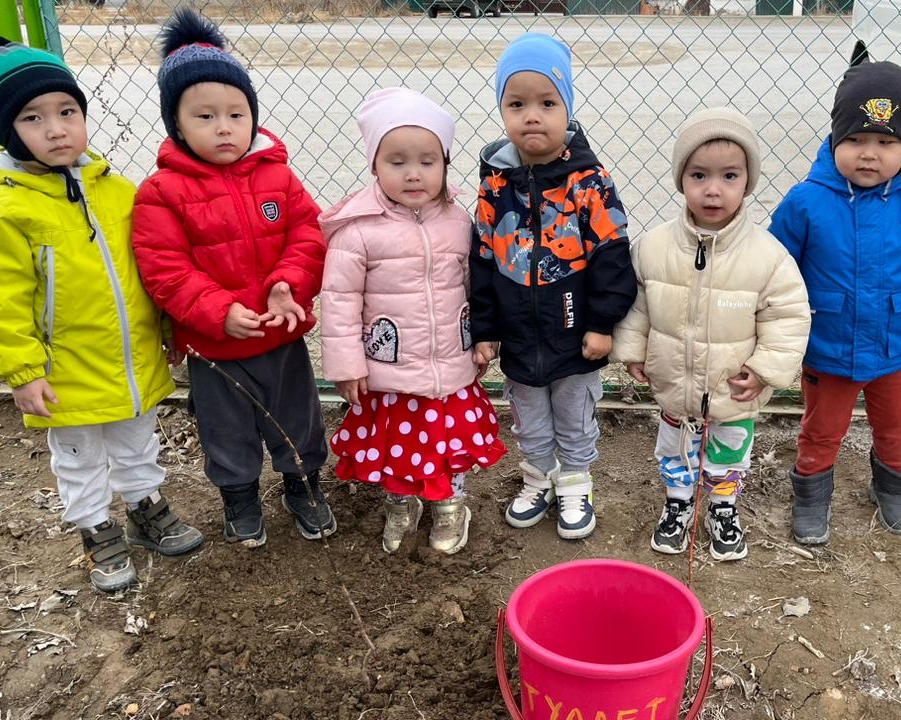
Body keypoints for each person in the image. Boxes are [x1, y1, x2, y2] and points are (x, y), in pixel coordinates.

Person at [0, 38, 202, 592]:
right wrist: (23, 371)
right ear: (5, 130)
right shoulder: (1, 210)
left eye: (67, 111)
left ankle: (145, 506)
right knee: (78, 455)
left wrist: (168, 326)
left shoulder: (118, 191)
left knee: (137, 439)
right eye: (33, 118)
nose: (56, 130)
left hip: (130, 359)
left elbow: (150, 267)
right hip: (65, 368)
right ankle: (96, 527)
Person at [132, 9, 332, 548]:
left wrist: (289, 284)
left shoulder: (278, 176)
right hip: (215, 347)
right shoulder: (161, 193)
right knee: (226, 431)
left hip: (280, 335)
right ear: (177, 125)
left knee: (299, 419)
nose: (224, 127)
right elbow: (165, 269)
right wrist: (218, 312)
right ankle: (239, 498)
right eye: (205, 116)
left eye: (236, 114)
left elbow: (307, 236)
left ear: (252, 116)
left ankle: (303, 486)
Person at [770, 61, 901, 544]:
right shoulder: (805, 202)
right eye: (855, 139)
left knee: (898, 424)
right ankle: (812, 493)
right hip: (828, 346)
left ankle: (892, 486)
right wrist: (775, 329)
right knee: (822, 428)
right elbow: (773, 271)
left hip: (897, 347)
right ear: (835, 139)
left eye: (885, 142)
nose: (869, 154)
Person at [612, 108, 809, 561]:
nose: (713, 189)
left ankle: (722, 506)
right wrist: (634, 349)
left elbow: (788, 317)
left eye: (729, 176)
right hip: (675, 384)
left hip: (732, 386)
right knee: (675, 449)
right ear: (681, 179)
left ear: (747, 181)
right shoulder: (654, 247)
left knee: (728, 453)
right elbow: (638, 302)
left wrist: (764, 370)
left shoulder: (768, 256)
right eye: (699, 175)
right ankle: (679, 502)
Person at [319, 87, 506, 556]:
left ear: (445, 164)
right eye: (397, 161)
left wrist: (484, 336)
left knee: (447, 443)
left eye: (427, 161)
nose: (413, 173)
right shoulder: (357, 230)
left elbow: (476, 286)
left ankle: (450, 505)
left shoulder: (458, 222)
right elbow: (339, 302)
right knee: (394, 445)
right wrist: (346, 366)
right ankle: (401, 503)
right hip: (389, 372)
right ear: (374, 165)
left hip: (450, 367)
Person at [469, 33, 636, 540]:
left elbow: (612, 255)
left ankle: (576, 482)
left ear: (568, 107)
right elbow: (483, 258)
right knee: (528, 416)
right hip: (519, 335)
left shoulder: (588, 181)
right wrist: (484, 329)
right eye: (516, 104)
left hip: (575, 334)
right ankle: (539, 478)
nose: (532, 117)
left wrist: (602, 324)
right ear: (502, 110)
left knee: (574, 414)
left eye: (547, 103)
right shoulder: (495, 184)